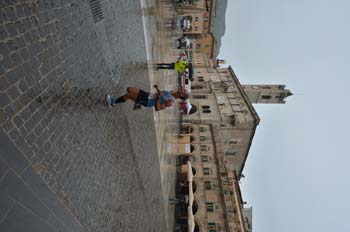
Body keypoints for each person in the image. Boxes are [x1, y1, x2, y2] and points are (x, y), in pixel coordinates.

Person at [106, 85, 196, 113]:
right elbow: (160, 94)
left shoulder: (171, 102)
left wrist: (158, 98)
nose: (183, 88)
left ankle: (113, 102)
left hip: (149, 101)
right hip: (149, 95)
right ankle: (138, 104)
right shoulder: (172, 91)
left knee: (129, 95)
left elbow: (157, 108)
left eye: (184, 91)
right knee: (129, 89)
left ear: (181, 95)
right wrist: (157, 89)